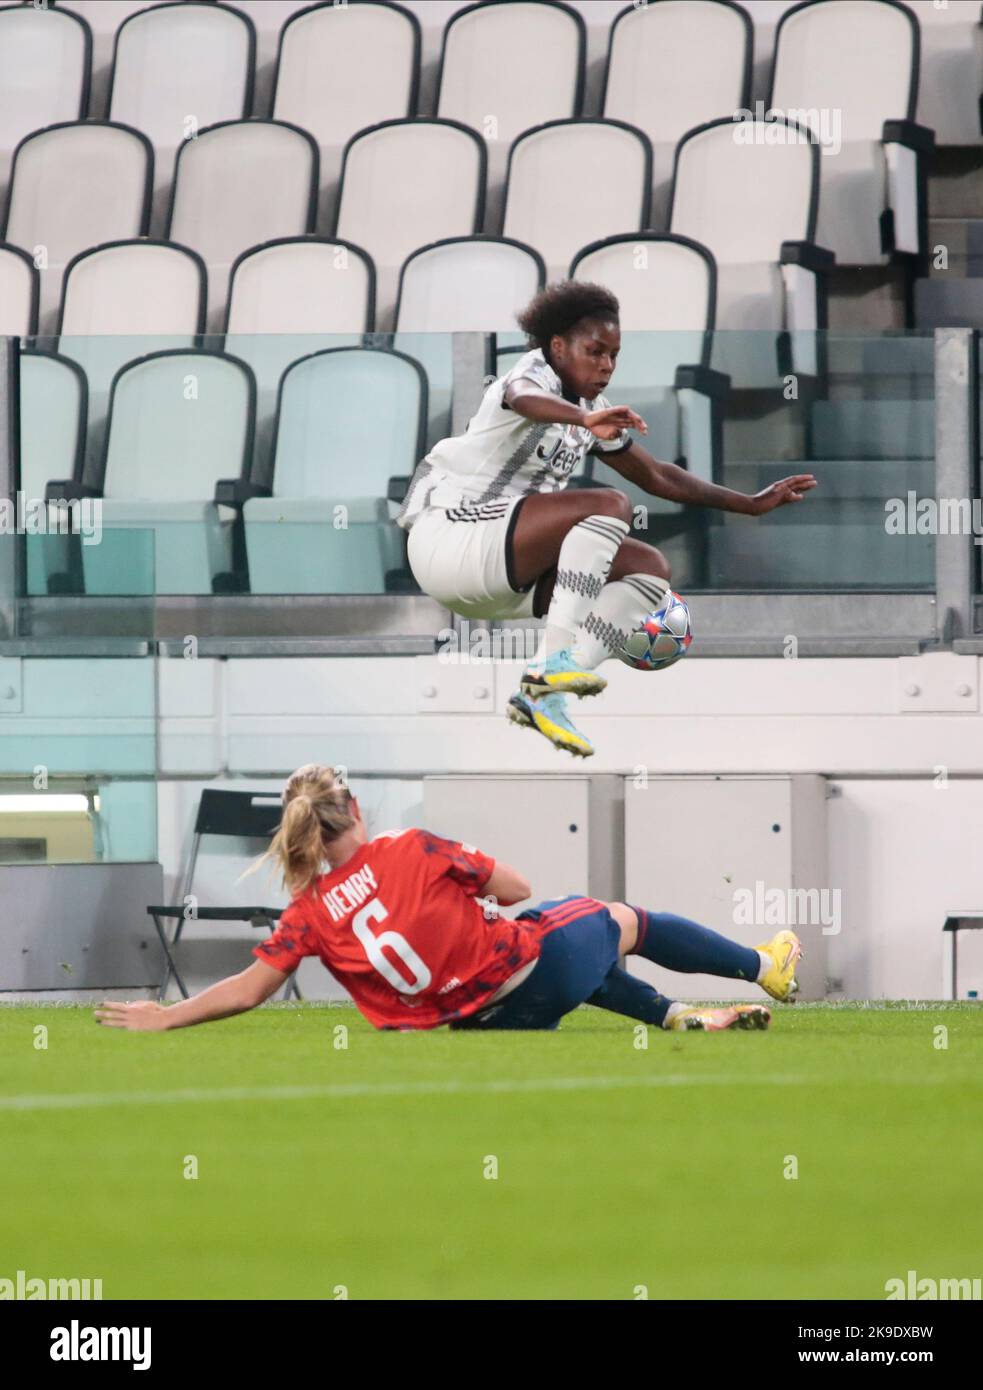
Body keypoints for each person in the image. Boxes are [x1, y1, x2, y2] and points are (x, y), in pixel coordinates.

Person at [396, 280, 817, 757]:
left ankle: (546, 694)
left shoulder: (592, 412)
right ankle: (551, 663)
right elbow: (522, 398)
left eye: (614, 355)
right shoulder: (533, 374)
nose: (606, 365)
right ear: (558, 346)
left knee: (651, 569)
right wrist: (581, 422)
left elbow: (659, 476)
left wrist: (750, 504)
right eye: (595, 351)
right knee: (609, 503)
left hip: (495, 580)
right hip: (451, 536)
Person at [96, 765, 801, 1035]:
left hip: (478, 1028)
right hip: (531, 975)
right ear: (355, 809)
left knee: (567, 955)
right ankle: (760, 966)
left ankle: (677, 1018)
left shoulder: (305, 912)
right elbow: (517, 890)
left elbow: (248, 991)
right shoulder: (405, 846)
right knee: (615, 919)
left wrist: (166, 1016)